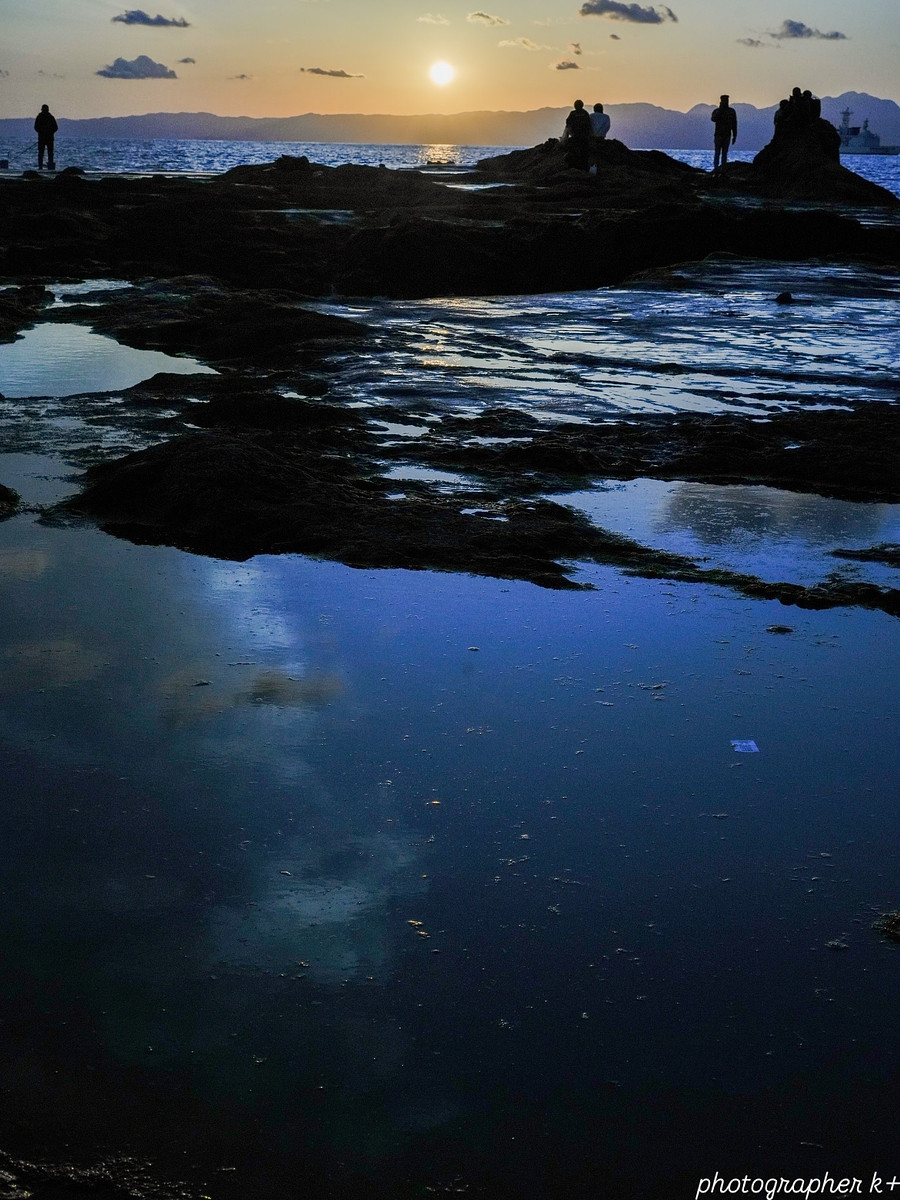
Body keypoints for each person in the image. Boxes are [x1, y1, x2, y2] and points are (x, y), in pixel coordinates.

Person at [562, 99, 592, 172]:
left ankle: (572, 167)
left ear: (575, 106)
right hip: (584, 138)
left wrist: (566, 136)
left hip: (575, 137)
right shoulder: (585, 113)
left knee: (572, 152)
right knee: (584, 154)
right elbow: (589, 125)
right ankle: (584, 168)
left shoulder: (572, 114)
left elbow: (568, 124)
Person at [710, 94, 737, 172]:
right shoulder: (717, 111)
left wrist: (734, 136)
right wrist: (720, 110)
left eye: (727, 100)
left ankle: (723, 171)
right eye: (725, 100)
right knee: (717, 153)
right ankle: (716, 170)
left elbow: (734, 124)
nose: (726, 102)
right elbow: (713, 119)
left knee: (724, 154)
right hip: (718, 135)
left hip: (727, 135)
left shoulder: (731, 112)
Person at [34, 104, 58, 170]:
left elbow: (55, 127)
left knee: (50, 153)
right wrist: (41, 132)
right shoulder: (39, 117)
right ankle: (40, 167)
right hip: (42, 138)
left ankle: (49, 167)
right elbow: (36, 127)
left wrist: (50, 132)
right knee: (41, 153)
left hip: (49, 138)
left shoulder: (51, 117)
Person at [589, 102, 611, 171]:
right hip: (601, 138)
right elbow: (607, 127)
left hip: (592, 138)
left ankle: (592, 169)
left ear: (594, 109)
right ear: (602, 109)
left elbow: (588, 126)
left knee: (592, 155)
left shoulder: (591, 116)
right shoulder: (606, 117)